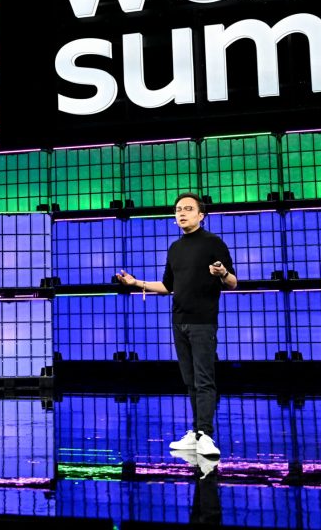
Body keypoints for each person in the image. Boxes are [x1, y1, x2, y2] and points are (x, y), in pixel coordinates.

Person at [116, 191, 236, 459]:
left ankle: (205, 434)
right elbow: (167, 286)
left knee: (204, 379)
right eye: (178, 209)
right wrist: (136, 283)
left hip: (203, 321)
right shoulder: (175, 248)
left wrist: (222, 273)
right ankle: (196, 432)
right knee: (189, 379)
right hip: (179, 321)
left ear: (201, 215)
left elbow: (233, 282)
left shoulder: (214, 243)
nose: (182, 213)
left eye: (188, 209)